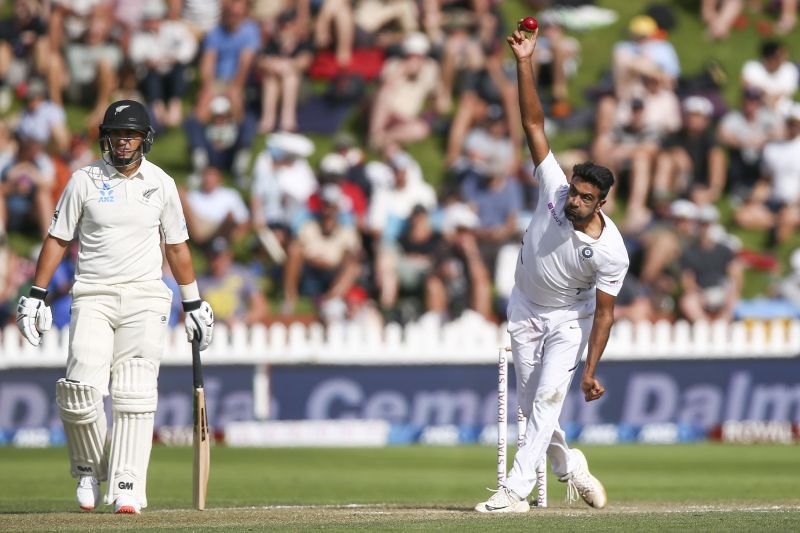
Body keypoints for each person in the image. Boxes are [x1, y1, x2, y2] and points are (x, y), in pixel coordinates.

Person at [14, 100, 215, 515]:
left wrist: (193, 301)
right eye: (117, 134)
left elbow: (176, 246)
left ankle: (127, 485)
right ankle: (89, 467)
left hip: (145, 297)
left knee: (135, 392)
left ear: (145, 138)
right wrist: (37, 293)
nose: (124, 141)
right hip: (93, 294)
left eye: (131, 134)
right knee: (80, 390)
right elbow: (57, 239)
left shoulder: (161, 184)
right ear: (105, 137)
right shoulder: (84, 180)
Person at [476, 25, 629, 513]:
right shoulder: (554, 188)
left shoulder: (611, 252)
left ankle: (515, 493)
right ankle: (569, 467)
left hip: (569, 318)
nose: (574, 201)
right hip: (523, 305)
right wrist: (525, 62)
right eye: (575, 191)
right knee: (528, 407)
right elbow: (534, 125)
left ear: (602, 201)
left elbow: (604, 315)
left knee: (545, 401)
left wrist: (590, 370)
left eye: (586, 198)